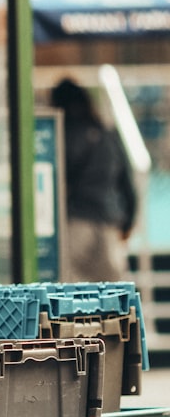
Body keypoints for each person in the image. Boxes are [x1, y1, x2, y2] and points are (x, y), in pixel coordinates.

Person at [50, 77, 137, 283]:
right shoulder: (108, 134)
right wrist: (128, 222)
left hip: (77, 220)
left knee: (70, 284)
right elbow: (127, 182)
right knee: (113, 288)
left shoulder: (64, 132)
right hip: (109, 222)